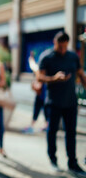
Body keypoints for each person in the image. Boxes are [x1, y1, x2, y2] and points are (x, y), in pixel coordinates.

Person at [37, 31, 86, 176]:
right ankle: (53, 159)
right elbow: (39, 77)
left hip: (70, 102)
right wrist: (54, 78)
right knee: (52, 132)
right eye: (60, 47)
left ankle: (73, 163)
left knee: (71, 133)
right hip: (53, 102)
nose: (63, 49)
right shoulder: (46, 57)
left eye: (65, 46)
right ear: (55, 42)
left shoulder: (72, 56)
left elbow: (81, 75)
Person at [23, 51, 49, 134]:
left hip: (42, 94)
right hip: (42, 94)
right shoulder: (42, 69)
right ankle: (44, 125)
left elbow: (33, 66)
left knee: (40, 109)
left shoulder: (40, 70)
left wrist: (31, 59)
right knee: (41, 109)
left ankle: (37, 125)